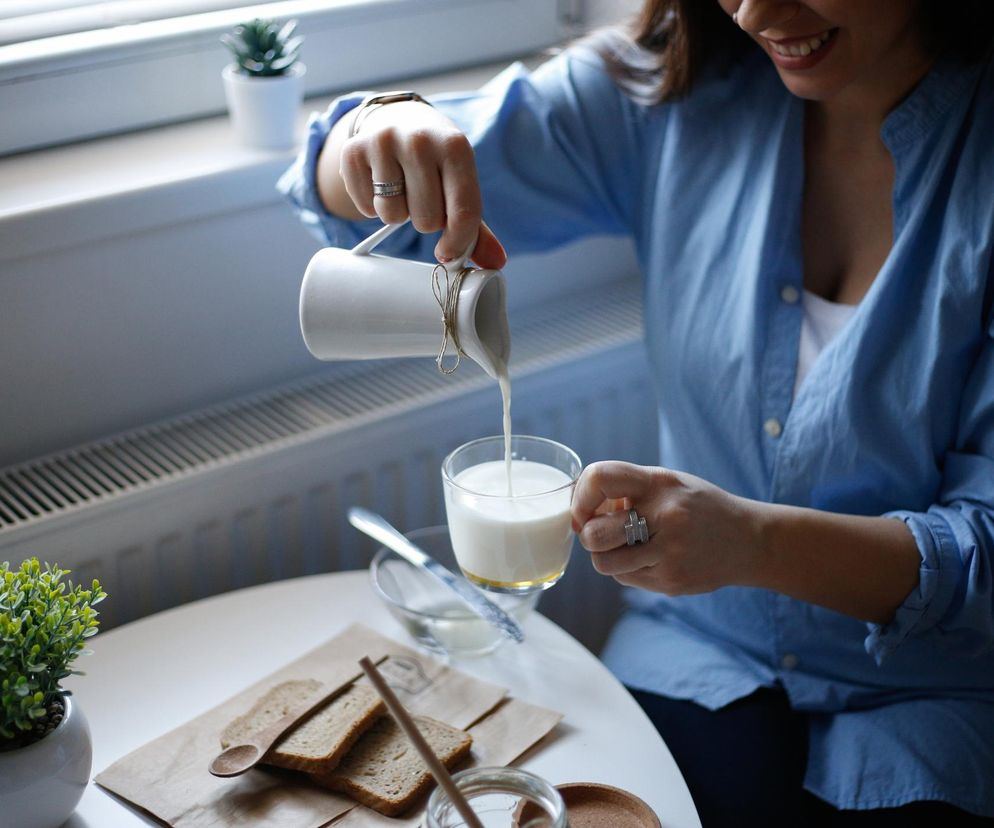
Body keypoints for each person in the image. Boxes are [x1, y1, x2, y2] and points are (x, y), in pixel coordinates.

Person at [278, 1, 994, 824]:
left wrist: (756, 545)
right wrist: (379, 128)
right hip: (699, 653)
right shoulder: (671, 88)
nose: (758, 9)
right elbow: (354, 202)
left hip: (934, 700)